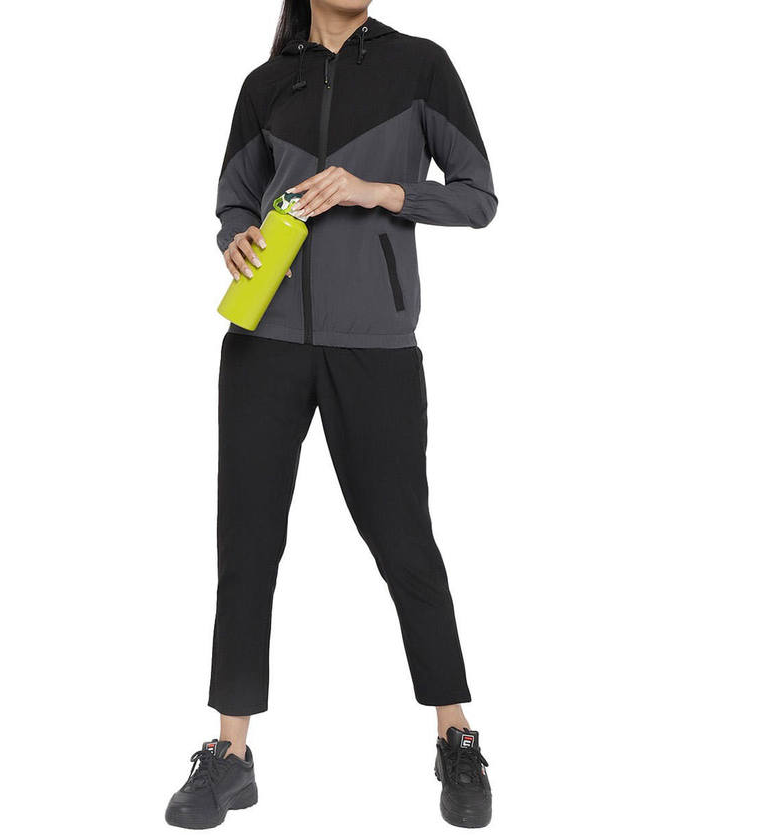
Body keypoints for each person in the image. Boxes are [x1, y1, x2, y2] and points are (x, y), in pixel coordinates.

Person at [166, 0, 497, 829]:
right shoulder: (267, 82)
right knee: (246, 548)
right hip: (261, 341)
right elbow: (233, 197)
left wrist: (375, 191)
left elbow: (477, 196)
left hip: (375, 347)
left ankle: (455, 734)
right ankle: (230, 754)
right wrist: (235, 234)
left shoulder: (419, 65)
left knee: (405, 543)